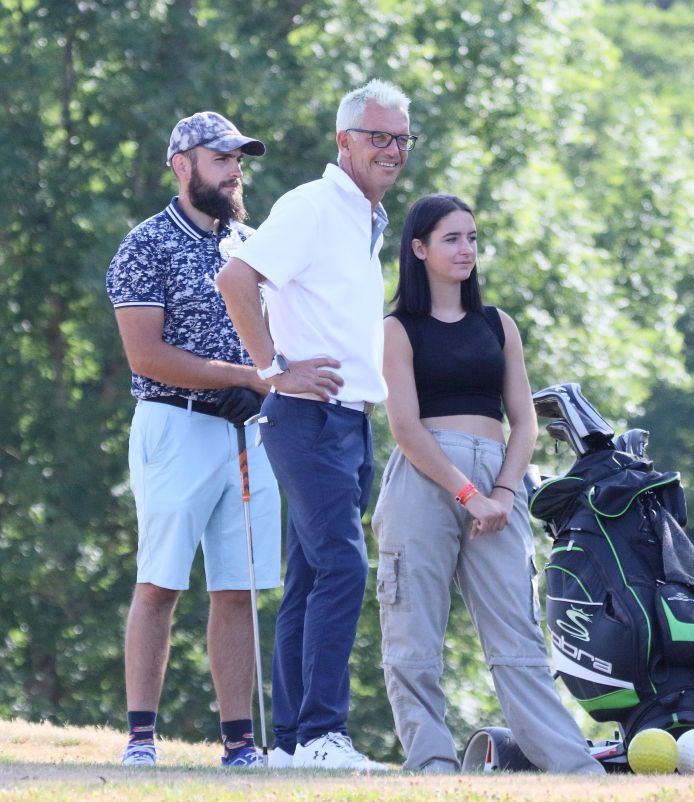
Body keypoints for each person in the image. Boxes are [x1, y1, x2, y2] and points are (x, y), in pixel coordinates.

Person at [215, 79, 414, 771]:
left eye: (401, 139)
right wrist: (272, 370)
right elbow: (235, 280)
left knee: (309, 577)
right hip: (307, 418)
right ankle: (325, 733)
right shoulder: (313, 205)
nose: (392, 150)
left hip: (347, 421)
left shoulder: (364, 216)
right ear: (343, 141)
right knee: (342, 566)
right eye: (378, 136)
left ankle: (296, 743)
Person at [371, 194, 604, 774]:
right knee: (412, 635)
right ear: (419, 249)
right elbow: (405, 428)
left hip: (499, 478)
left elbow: (524, 422)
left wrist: (500, 493)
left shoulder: (497, 325)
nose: (466, 249)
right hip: (425, 478)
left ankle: (573, 768)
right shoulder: (397, 329)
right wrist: (467, 495)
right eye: (452, 239)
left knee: (518, 635)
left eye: (472, 238)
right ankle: (432, 764)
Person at [106, 111, 280, 768]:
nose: (235, 172)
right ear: (183, 166)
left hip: (247, 429)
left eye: (238, 161)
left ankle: (239, 745)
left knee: (237, 588)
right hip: (174, 424)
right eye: (221, 159)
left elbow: (279, 337)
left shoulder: (254, 245)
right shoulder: (145, 245)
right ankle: (141, 740)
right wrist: (243, 377)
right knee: (160, 583)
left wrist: (262, 385)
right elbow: (145, 355)